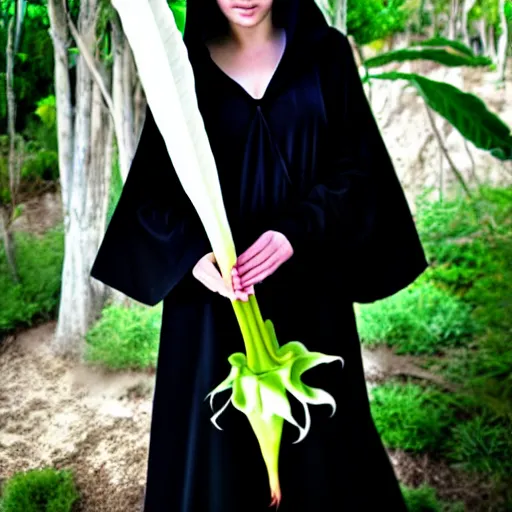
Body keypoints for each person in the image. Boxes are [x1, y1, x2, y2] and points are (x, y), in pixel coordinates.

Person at [91, 0, 429, 510]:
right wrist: (193, 258)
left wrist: (296, 232)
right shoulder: (184, 69)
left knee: (325, 464)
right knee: (216, 470)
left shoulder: (326, 56)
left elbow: (358, 172)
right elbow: (152, 195)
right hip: (215, 310)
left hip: (310, 299)